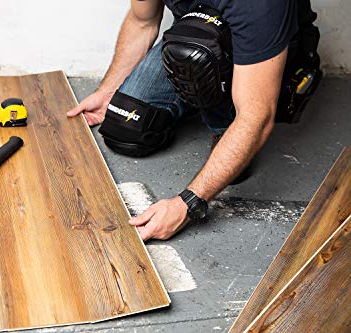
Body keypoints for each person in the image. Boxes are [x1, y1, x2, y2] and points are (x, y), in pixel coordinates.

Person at [66, 0, 298, 241]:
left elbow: (256, 116)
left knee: (234, 160)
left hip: (259, 49)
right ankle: (198, 84)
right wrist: (107, 93)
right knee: (126, 127)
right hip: (194, 42)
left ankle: (222, 121)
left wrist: (188, 204)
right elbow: (142, 21)